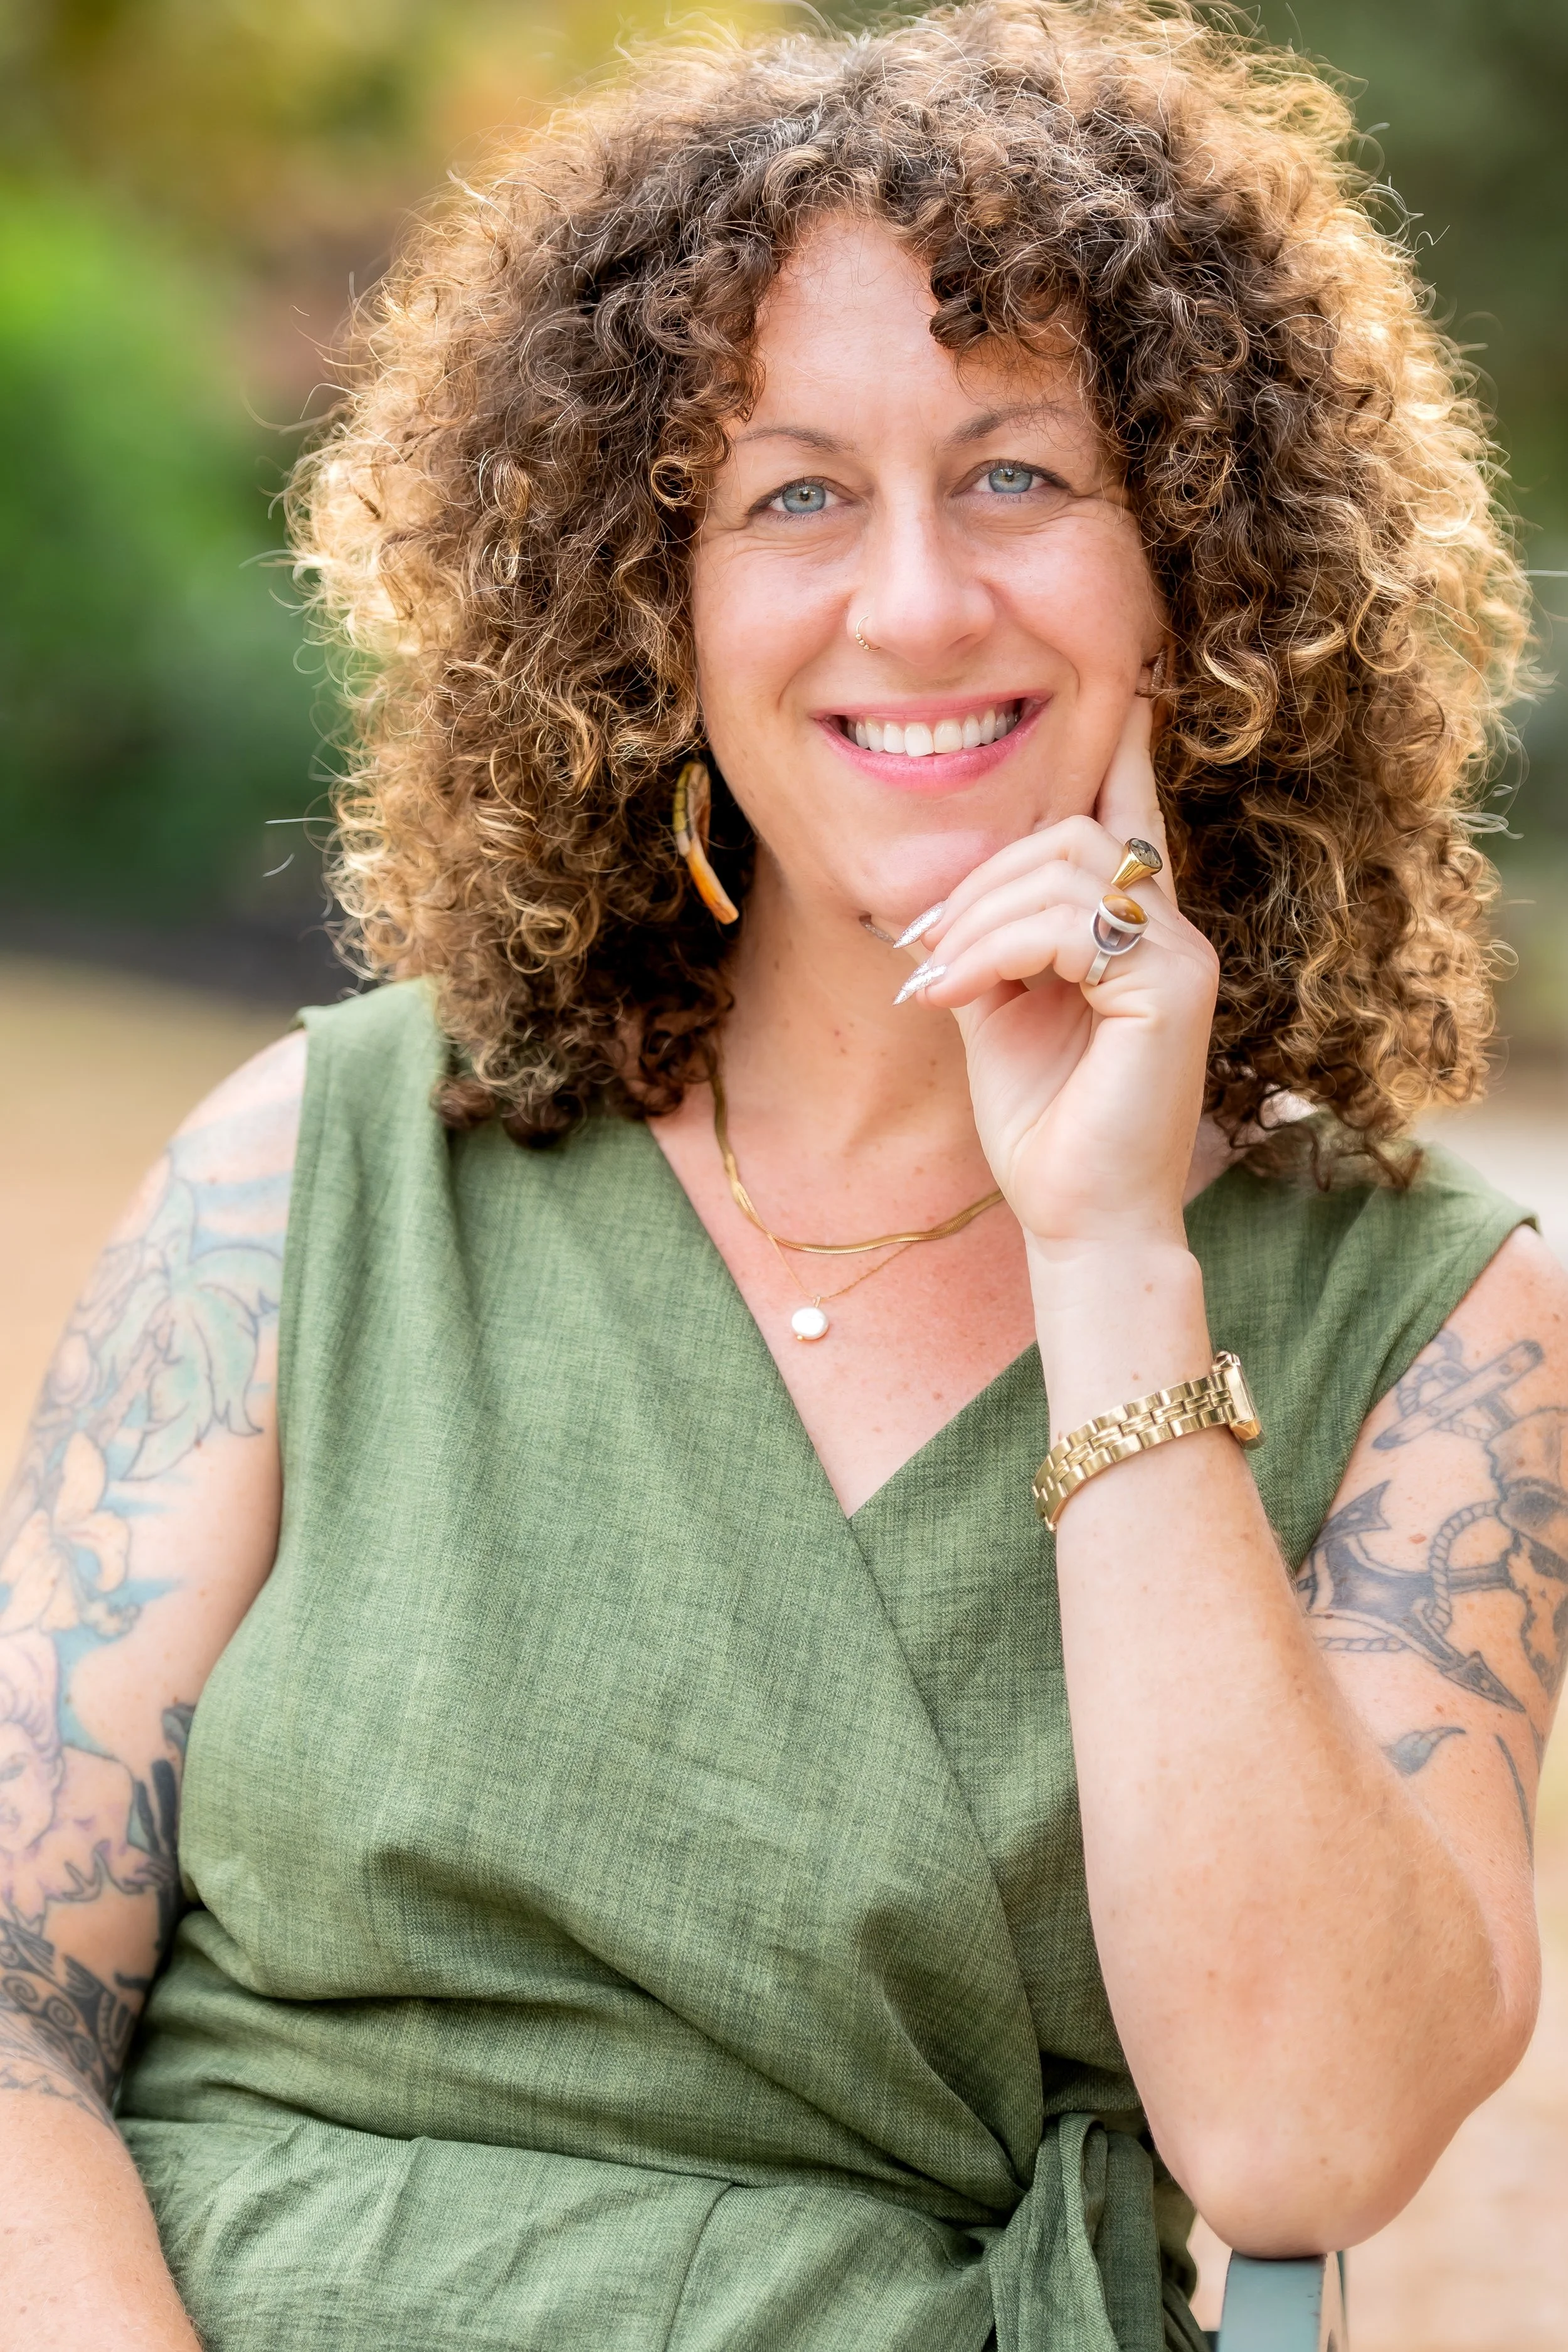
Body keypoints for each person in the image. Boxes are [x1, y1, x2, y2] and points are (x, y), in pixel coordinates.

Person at [2, 4, 1563, 2345]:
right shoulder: (318, 1170)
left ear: (1203, 572)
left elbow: (1303, 2137)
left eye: (1019, 477)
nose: (915, 603)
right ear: (653, 610)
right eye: (794, 494)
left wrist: (1110, 1242)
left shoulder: (1431, 1315)